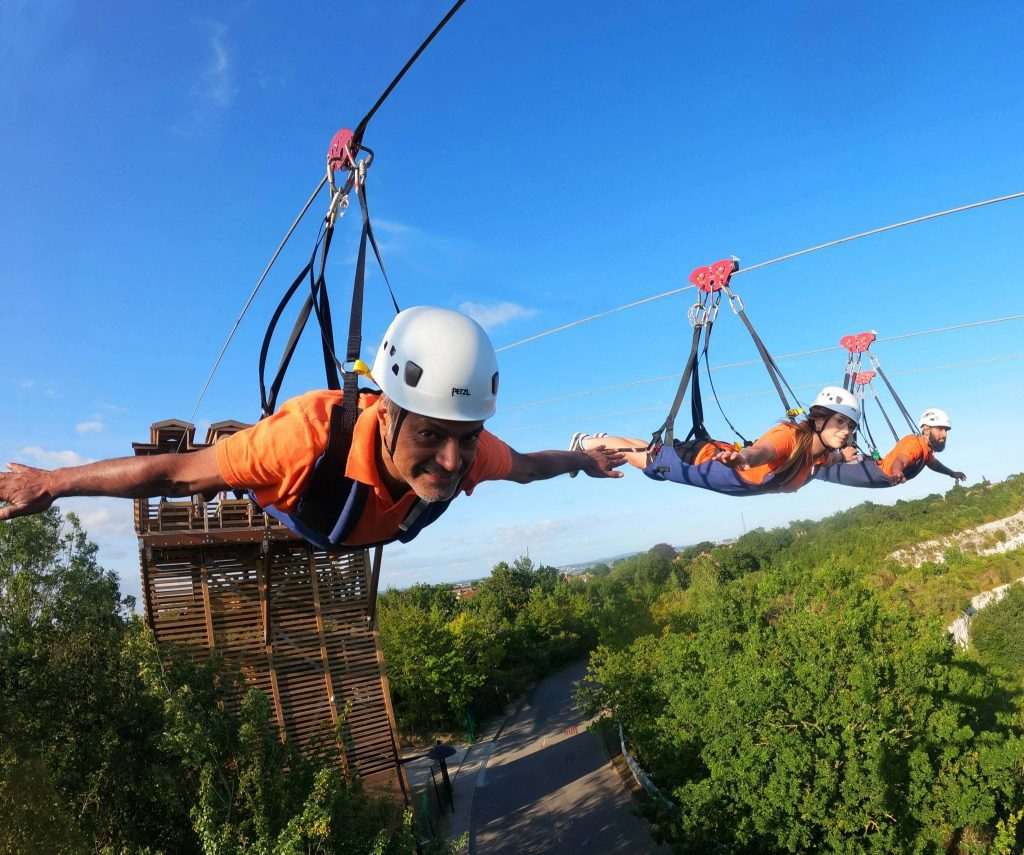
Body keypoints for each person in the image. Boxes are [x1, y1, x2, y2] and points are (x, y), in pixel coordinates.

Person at [0, 307, 625, 549]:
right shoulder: (302, 438)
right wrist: (51, 482)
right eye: (431, 435)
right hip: (302, 496)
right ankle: (246, 467)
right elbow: (175, 474)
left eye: (465, 437)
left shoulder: (470, 449)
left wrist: (583, 460)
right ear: (388, 412)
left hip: (346, 522)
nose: (451, 460)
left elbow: (530, 467)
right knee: (230, 466)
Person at [570, 386, 860, 496]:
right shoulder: (790, 437)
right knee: (648, 459)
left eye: (850, 426)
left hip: (723, 465)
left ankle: (598, 440)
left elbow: (831, 459)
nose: (845, 431)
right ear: (819, 420)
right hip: (706, 464)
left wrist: (844, 456)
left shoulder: (821, 453)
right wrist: (742, 458)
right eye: (839, 422)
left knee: (651, 451)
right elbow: (762, 452)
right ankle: (587, 443)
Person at [812, 407, 966, 488]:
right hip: (875, 473)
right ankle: (805, 457)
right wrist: (897, 472)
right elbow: (901, 459)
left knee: (842, 458)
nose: (944, 434)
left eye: (946, 430)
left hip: (876, 468)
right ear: (926, 429)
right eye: (940, 429)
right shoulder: (914, 444)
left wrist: (951, 473)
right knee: (819, 471)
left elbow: (934, 464)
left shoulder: (926, 450)